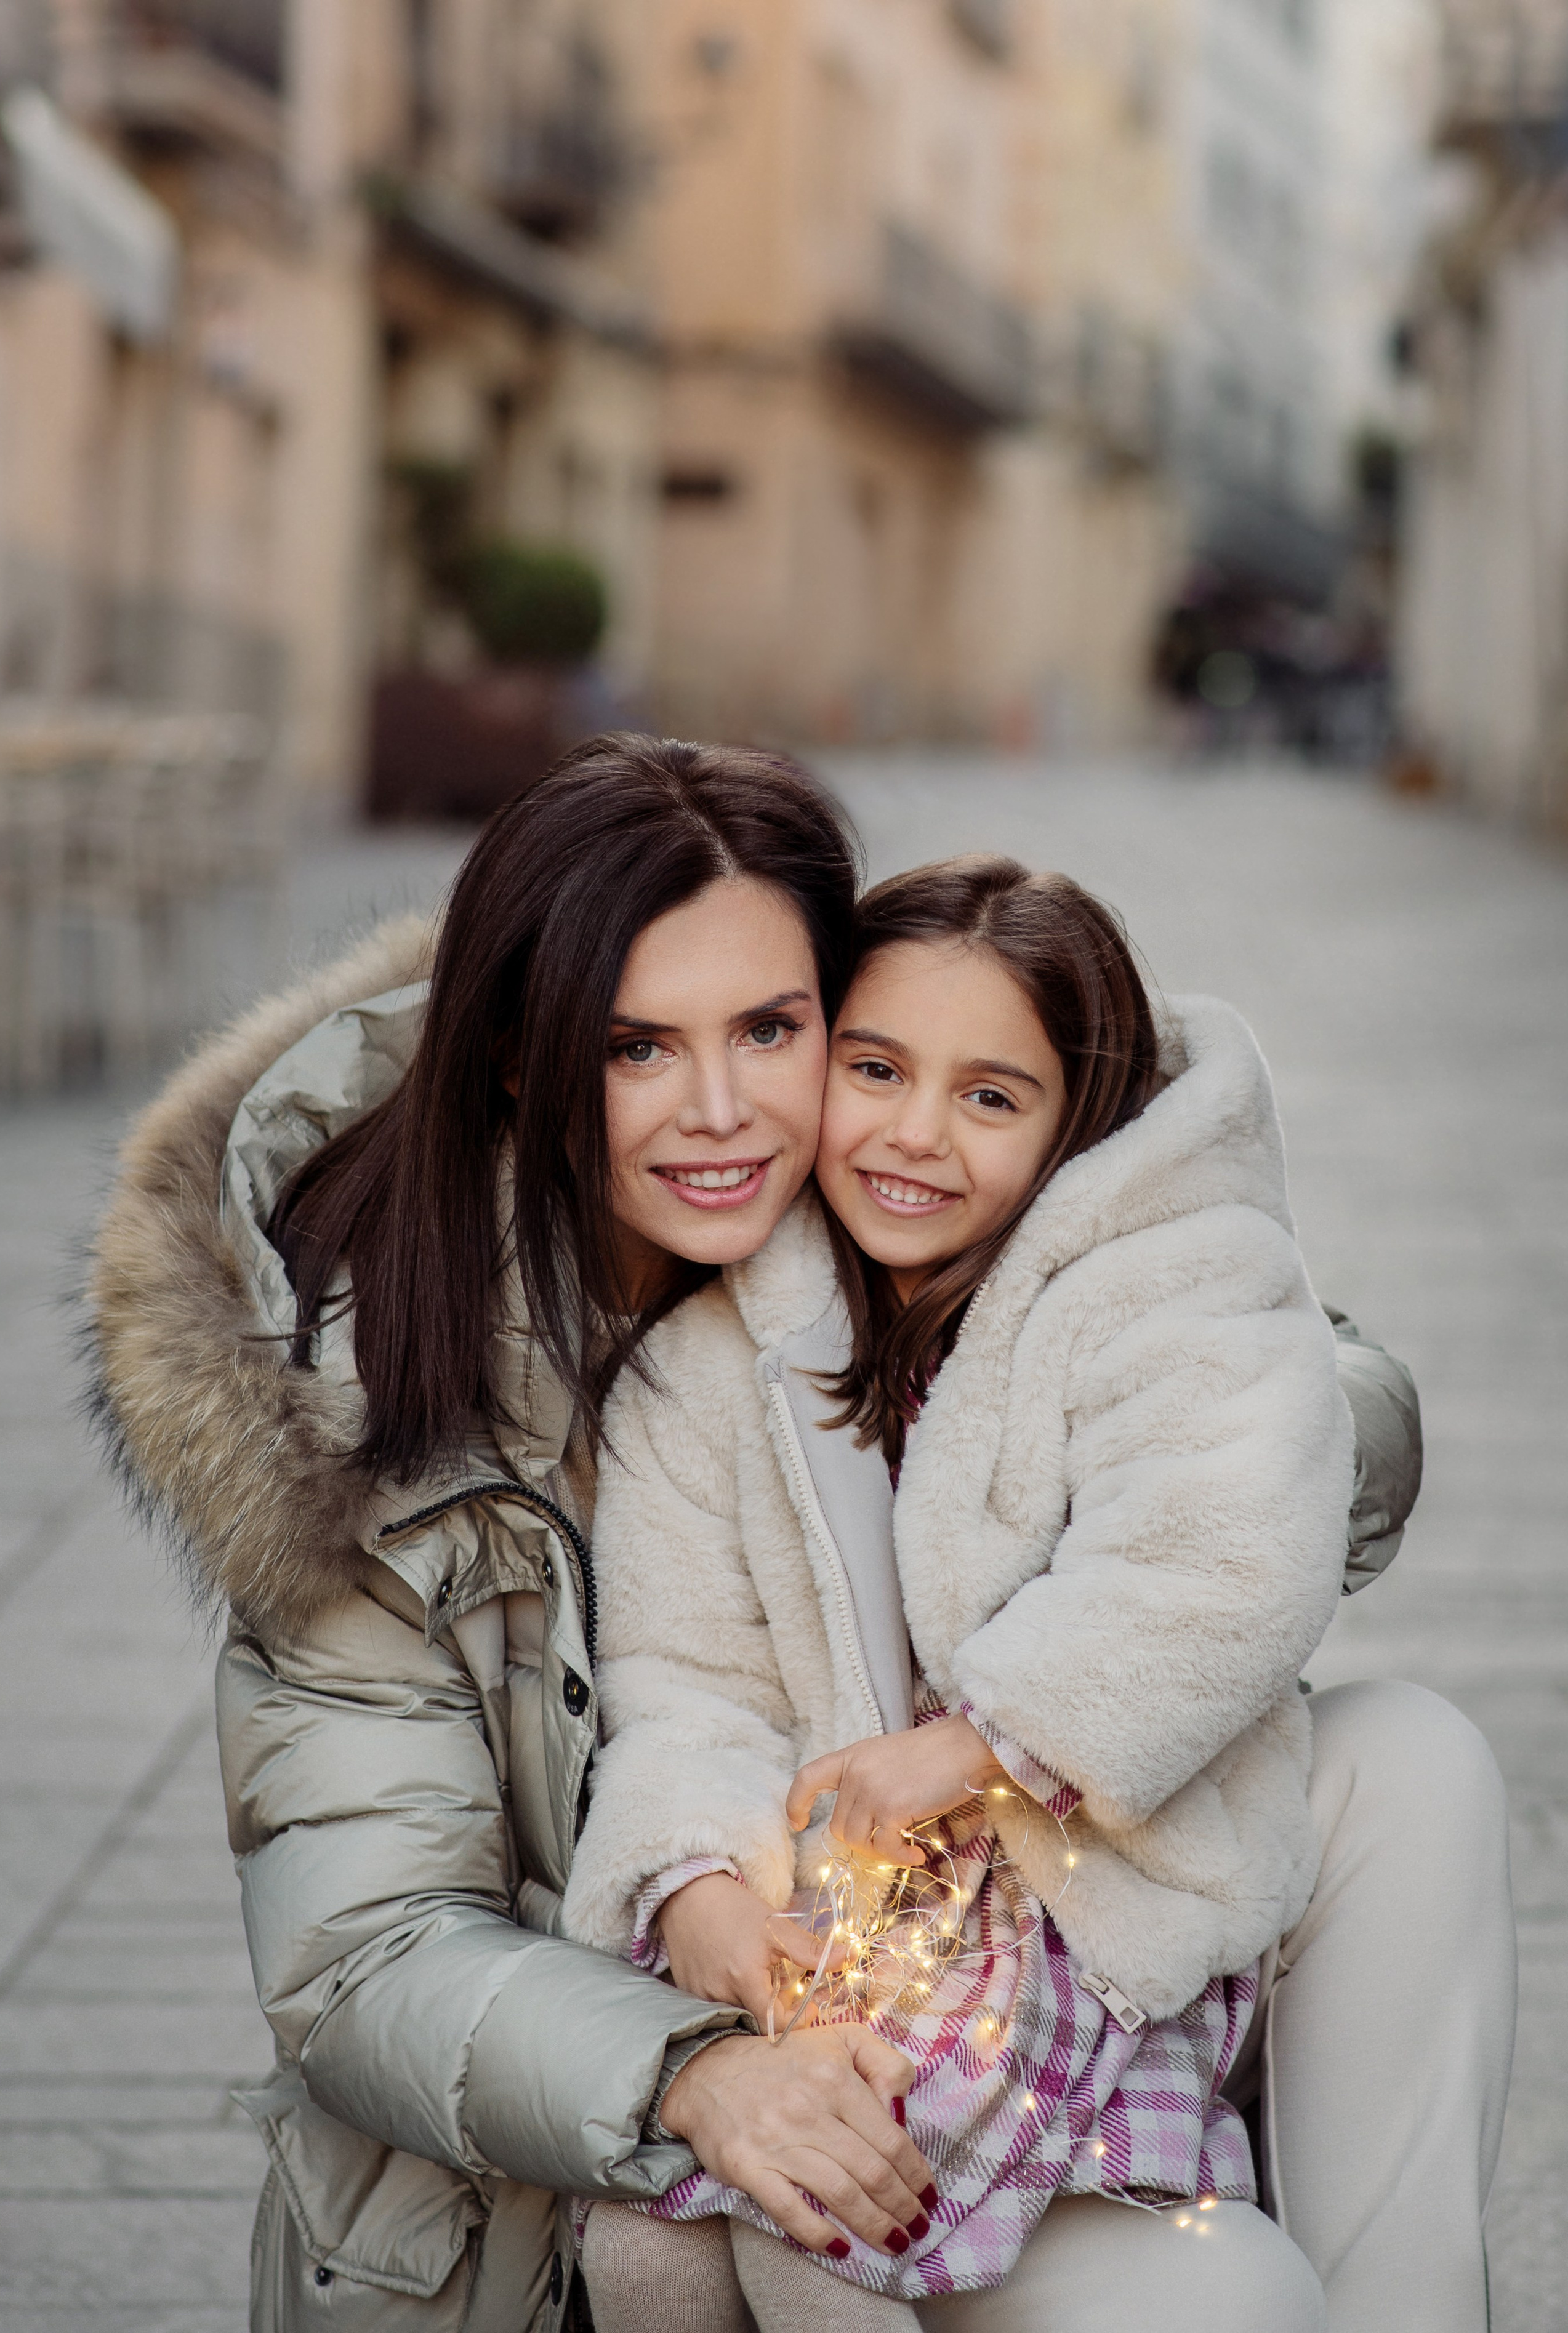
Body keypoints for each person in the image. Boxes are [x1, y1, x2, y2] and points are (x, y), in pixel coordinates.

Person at [83, 738, 1507, 2333]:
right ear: (521, 1057)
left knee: (1409, 1757)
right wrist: (703, 2069)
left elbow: (1286, 1447)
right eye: (637, 1045)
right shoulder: (361, 1413)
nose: (724, 1109)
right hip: (586, 2162)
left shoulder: (927, 1201)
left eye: (772, 1026)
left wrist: (1153, 1233)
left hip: (972, 1994)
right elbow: (366, 1961)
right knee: (1226, 2296)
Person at [565, 857, 1346, 2329]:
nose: (912, 1136)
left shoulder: (1170, 1282)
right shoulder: (713, 1358)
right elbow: (683, 1669)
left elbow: (1219, 1547)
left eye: (990, 1097)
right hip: (833, 1920)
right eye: (874, 1069)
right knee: (643, 2249)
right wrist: (695, 1884)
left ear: (1073, 1125)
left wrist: (977, 1741)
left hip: (1061, 1909)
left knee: (824, 2219)